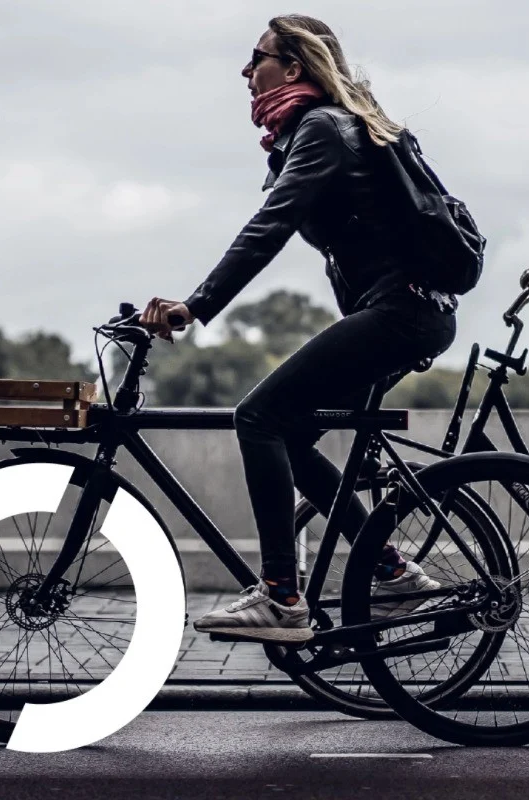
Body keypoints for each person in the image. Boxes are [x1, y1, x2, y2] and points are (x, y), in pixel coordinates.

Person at [139, 15, 457, 642]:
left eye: (255, 58)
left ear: (293, 68)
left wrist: (195, 306)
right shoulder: (323, 129)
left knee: (256, 416)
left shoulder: (322, 129)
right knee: (290, 434)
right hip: (411, 311)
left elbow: (271, 225)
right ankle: (391, 571)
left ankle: (283, 598)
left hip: (402, 311)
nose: (243, 71)